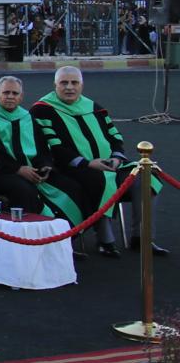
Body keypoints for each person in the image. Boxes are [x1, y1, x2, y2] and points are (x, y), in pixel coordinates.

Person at [31, 66, 167, 257]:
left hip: (110, 164)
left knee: (146, 178)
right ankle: (105, 239)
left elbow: (115, 137)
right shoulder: (42, 110)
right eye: (64, 83)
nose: (69, 87)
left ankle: (142, 238)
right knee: (99, 180)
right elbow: (52, 146)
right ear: (55, 85)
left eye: (74, 83)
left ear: (82, 85)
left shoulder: (94, 107)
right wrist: (87, 163)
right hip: (72, 168)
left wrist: (117, 158)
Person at [0, 76, 87, 225]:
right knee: (24, 190)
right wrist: (18, 169)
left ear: (21, 96)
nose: (10, 96)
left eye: (15, 93)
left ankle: (65, 234)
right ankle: (28, 235)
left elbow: (43, 148)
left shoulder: (28, 118)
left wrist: (44, 166)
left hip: (31, 172)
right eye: (6, 92)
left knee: (70, 186)